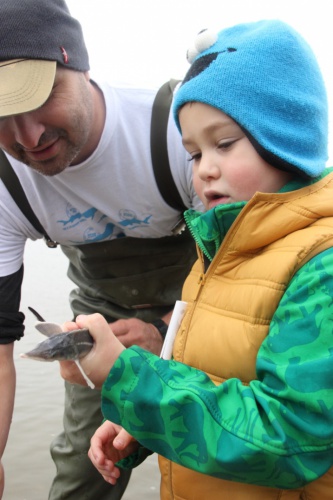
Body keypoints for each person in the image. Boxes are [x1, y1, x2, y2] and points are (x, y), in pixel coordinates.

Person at [60, 20, 333, 499]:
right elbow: (205, 376)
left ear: (285, 133)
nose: (205, 168)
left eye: (224, 143)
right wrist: (141, 422)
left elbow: (291, 438)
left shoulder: (321, 266)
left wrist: (129, 378)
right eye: (192, 152)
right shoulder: (214, 254)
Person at [0, 0, 203, 498]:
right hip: (98, 323)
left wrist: (165, 336)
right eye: (1, 112)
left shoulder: (184, 131)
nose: (28, 138)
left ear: (80, 64)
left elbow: (257, 285)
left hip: (210, 303)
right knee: (85, 466)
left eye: (40, 96)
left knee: (214, 452)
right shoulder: (5, 185)